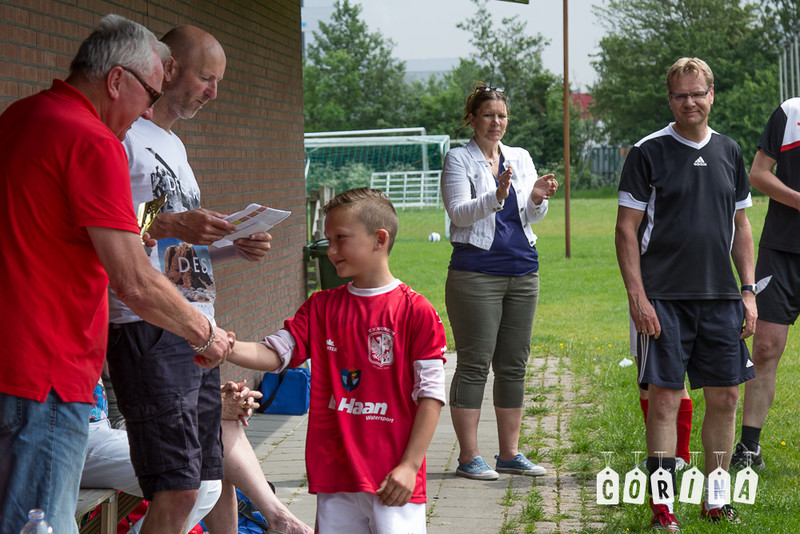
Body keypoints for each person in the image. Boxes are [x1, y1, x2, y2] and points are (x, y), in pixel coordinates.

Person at [0, 15, 231, 534]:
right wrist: (205, 332)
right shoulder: (93, 138)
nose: (148, 110)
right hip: (47, 371)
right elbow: (133, 280)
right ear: (116, 80)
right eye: (149, 94)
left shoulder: (19, 117)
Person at [104, 26, 272, 534]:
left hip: (196, 327)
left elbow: (170, 246)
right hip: (149, 325)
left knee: (208, 479)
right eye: (206, 78)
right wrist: (171, 223)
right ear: (169, 68)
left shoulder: (174, 145)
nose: (213, 92)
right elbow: (112, 228)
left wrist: (230, 246)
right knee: (177, 487)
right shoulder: (122, 135)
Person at [227, 188, 447, 534]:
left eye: (340, 239)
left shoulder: (416, 311)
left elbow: (431, 396)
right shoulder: (320, 307)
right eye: (327, 240)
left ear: (379, 239)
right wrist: (224, 346)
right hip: (335, 477)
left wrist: (410, 466)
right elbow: (274, 353)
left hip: (393, 480)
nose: (330, 250)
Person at [615, 57, 756, 530]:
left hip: (721, 298)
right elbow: (626, 229)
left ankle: (715, 500)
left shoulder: (730, 150)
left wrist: (749, 291)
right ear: (670, 99)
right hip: (664, 299)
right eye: (681, 95)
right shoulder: (647, 152)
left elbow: (741, 225)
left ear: (712, 94)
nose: (690, 102)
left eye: (698, 93)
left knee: (726, 398)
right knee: (664, 399)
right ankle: (662, 508)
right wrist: (638, 298)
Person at [440, 85, 558, 480]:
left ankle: (509, 454)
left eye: (502, 115)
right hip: (475, 274)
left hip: (523, 271)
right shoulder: (458, 159)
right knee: (474, 364)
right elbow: (459, 214)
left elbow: (530, 217)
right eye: (488, 115)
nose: (496, 122)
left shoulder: (520, 157)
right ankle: (469, 457)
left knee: (513, 365)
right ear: (472, 119)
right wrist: (496, 194)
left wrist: (536, 198)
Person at [731, 97, 800, 472]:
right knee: (766, 346)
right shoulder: (791, 112)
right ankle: (749, 446)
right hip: (782, 251)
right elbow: (758, 174)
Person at [629, 320, 693, 471]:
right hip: (641, 310)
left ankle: (681, 455)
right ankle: (657, 454)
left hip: (665, 309)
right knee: (645, 381)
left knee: (671, 380)